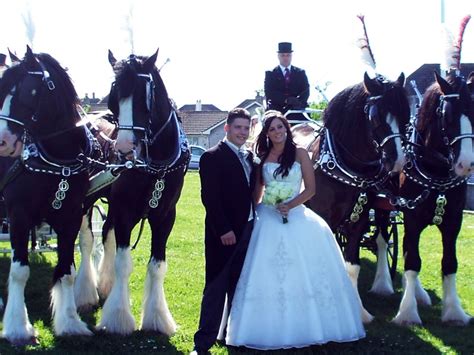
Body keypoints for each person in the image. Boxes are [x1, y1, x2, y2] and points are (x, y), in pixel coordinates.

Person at [225, 110, 365, 350]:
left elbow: (310, 189)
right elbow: (257, 192)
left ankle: (311, 321)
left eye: (280, 127)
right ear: (266, 134)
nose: (277, 132)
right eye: (272, 129)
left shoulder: (300, 154)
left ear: (286, 129)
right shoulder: (263, 157)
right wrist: (258, 208)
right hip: (268, 217)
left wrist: (290, 204)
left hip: (297, 214)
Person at [192, 108, 255, 355]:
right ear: (227, 128)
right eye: (238, 127)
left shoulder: (250, 157)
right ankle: (202, 343)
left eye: (246, 128)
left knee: (239, 287)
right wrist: (224, 230)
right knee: (216, 287)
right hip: (224, 234)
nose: (242, 132)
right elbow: (210, 198)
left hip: (249, 229)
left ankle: (233, 336)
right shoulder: (211, 156)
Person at [264, 42, 310, 120]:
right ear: (278, 56)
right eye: (283, 55)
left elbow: (306, 90)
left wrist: (298, 102)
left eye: (288, 55)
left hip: (297, 110)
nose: (285, 58)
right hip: (277, 111)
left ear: (291, 56)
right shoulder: (270, 74)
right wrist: (285, 100)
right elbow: (269, 93)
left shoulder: (300, 73)